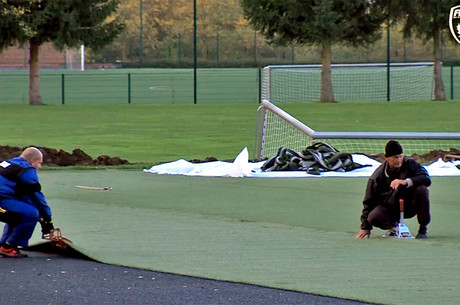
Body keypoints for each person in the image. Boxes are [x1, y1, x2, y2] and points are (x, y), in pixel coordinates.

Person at [356, 140, 431, 240]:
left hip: (410, 205)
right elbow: (368, 202)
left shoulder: (410, 163)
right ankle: (394, 226)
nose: (399, 160)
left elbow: (426, 179)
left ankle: (422, 229)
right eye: (395, 157)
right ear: (387, 158)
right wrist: (365, 227)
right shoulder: (376, 177)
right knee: (373, 217)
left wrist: (406, 181)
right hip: (390, 207)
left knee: (422, 190)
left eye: (400, 156)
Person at [0, 147, 54, 257]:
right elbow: (37, 197)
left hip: (3, 200)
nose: (40, 166)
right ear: (32, 161)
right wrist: (47, 217)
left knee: (17, 214)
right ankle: (8, 247)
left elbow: (25, 197)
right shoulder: (27, 171)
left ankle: (4, 245)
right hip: (2, 200)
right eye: (39, 163)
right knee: (31, 213)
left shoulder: (8, 163)